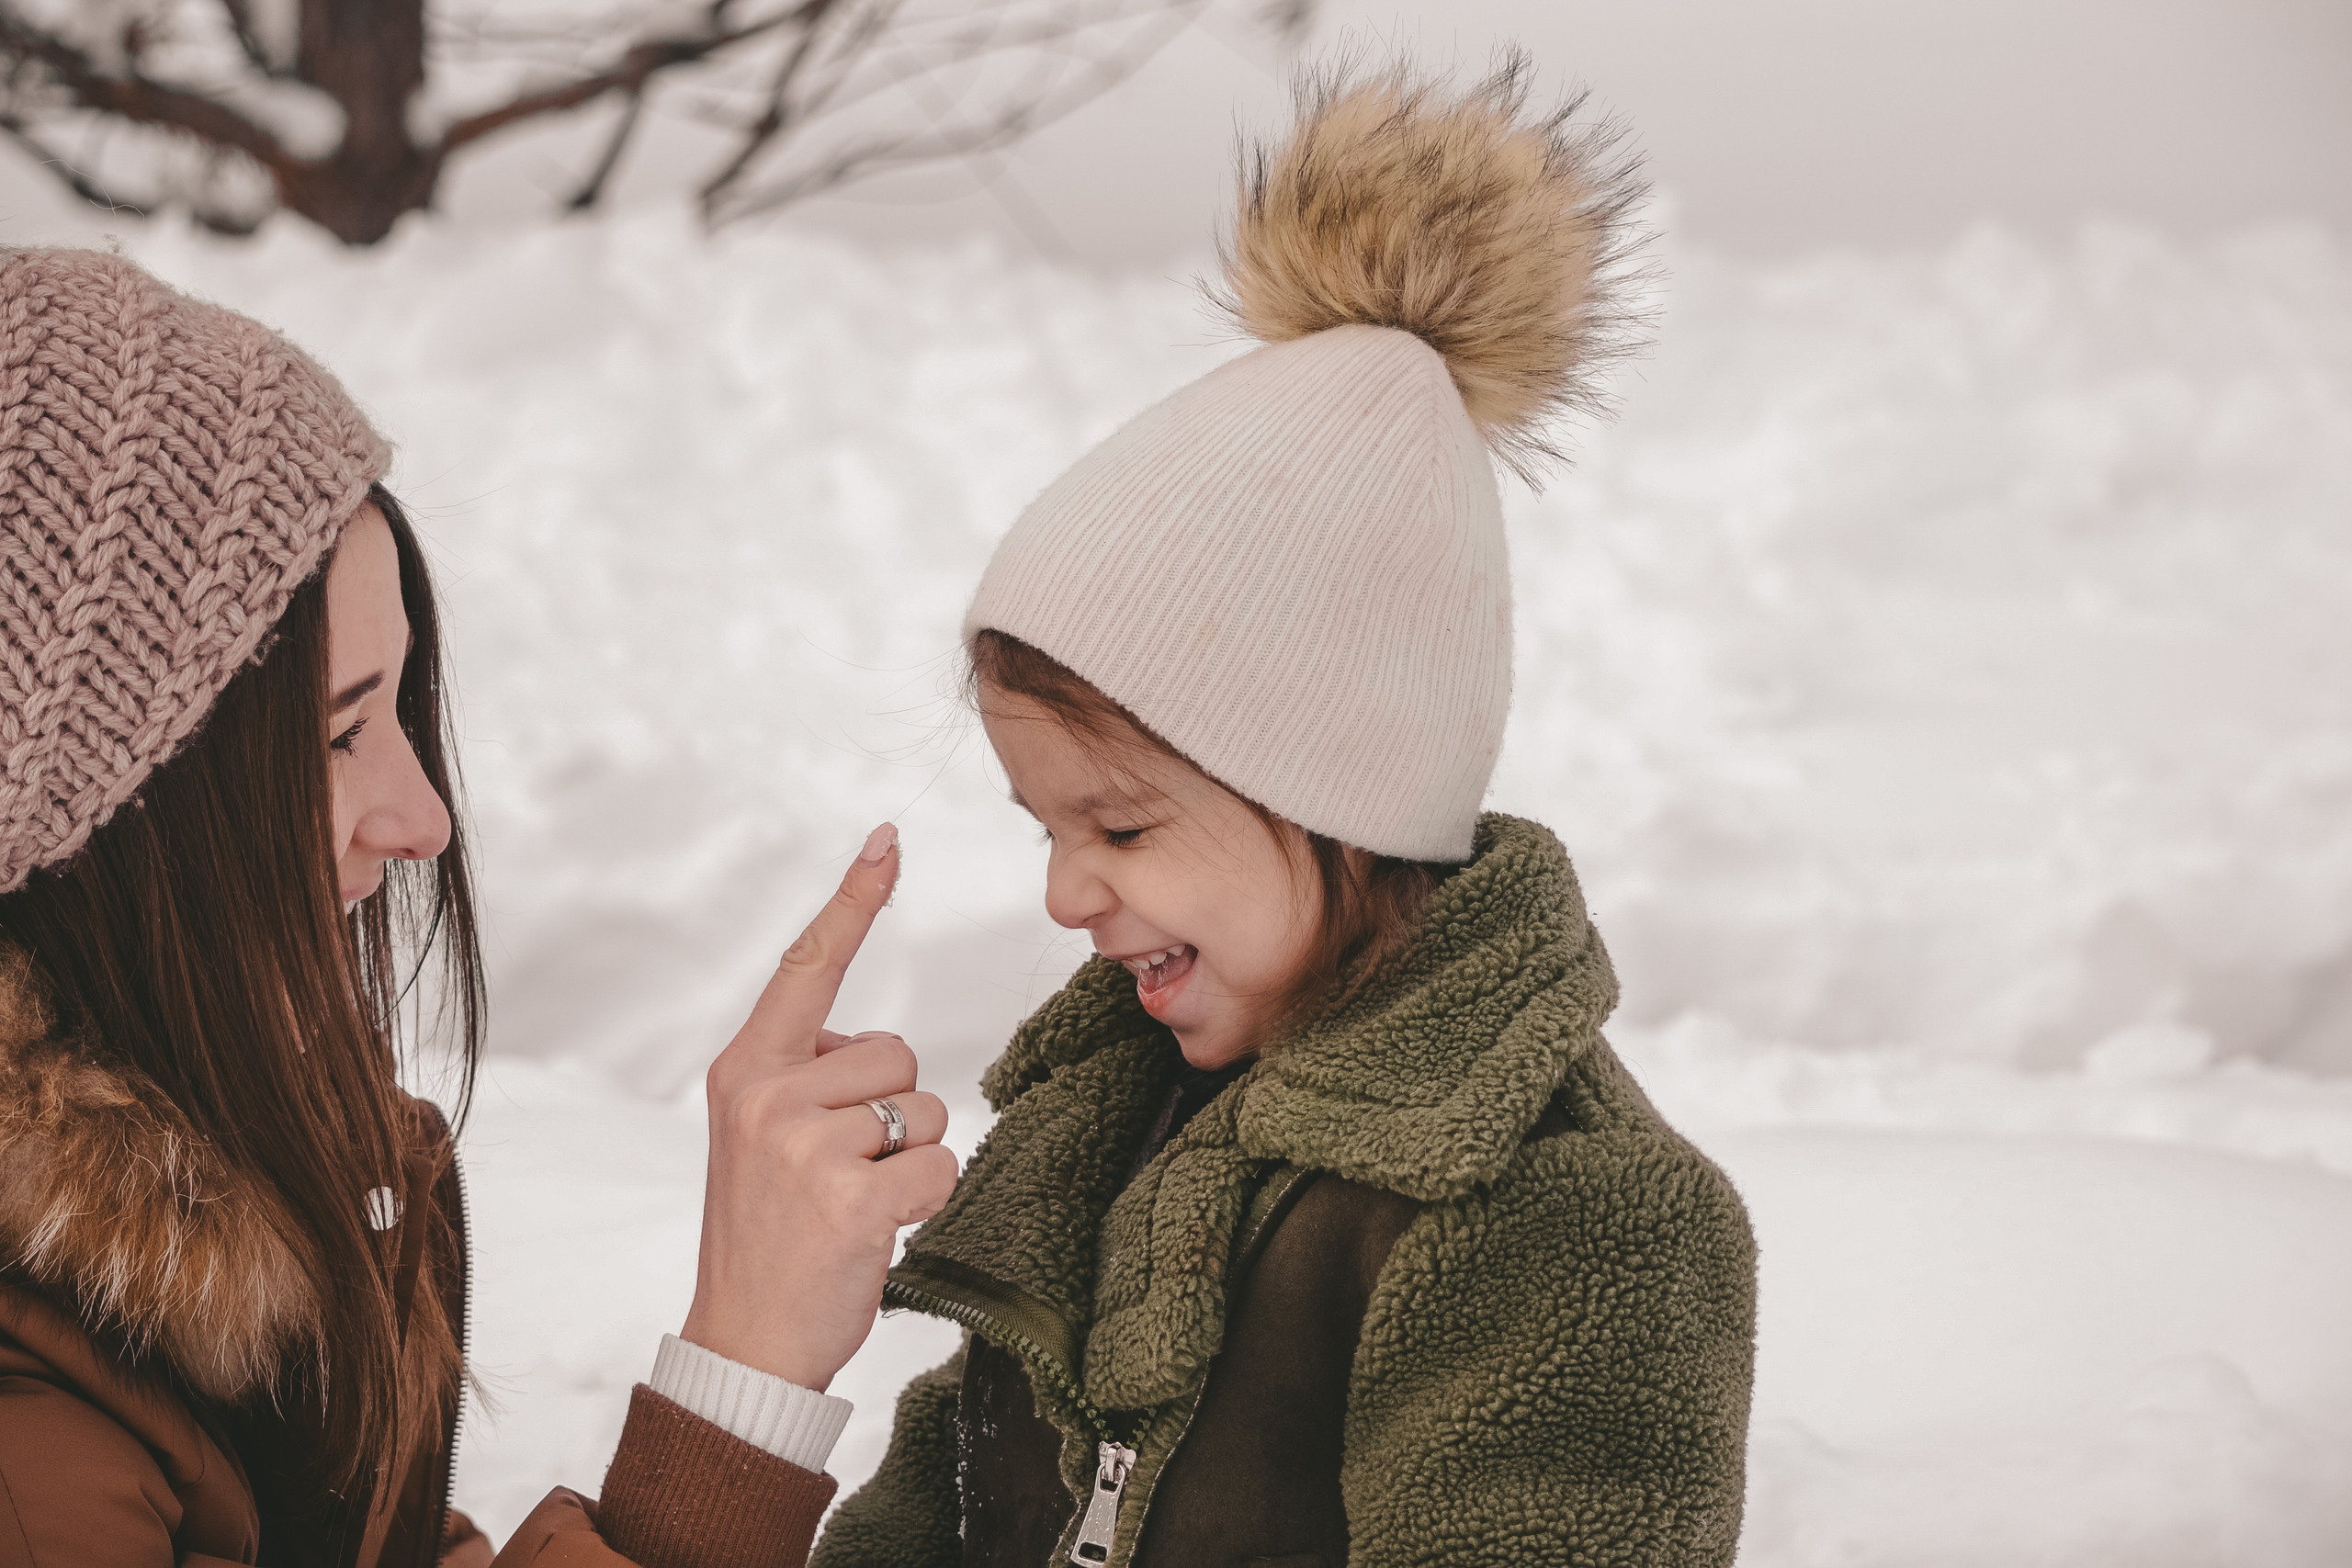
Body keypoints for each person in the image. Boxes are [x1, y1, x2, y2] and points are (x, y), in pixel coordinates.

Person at [814, 57, 1759, 1568]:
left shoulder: (1565, 1214)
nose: (1065, 897)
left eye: (1120, 830)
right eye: (1042, 828)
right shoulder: (1108, 1137)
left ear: (1347, 795)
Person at [0, 247, 956, 1565]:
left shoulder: (204, 1203)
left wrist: (748, 1373)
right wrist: (748, 1354)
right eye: (335, 741)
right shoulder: (33, 1444)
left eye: (396, 710)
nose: (421, 817)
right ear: (97, 814)